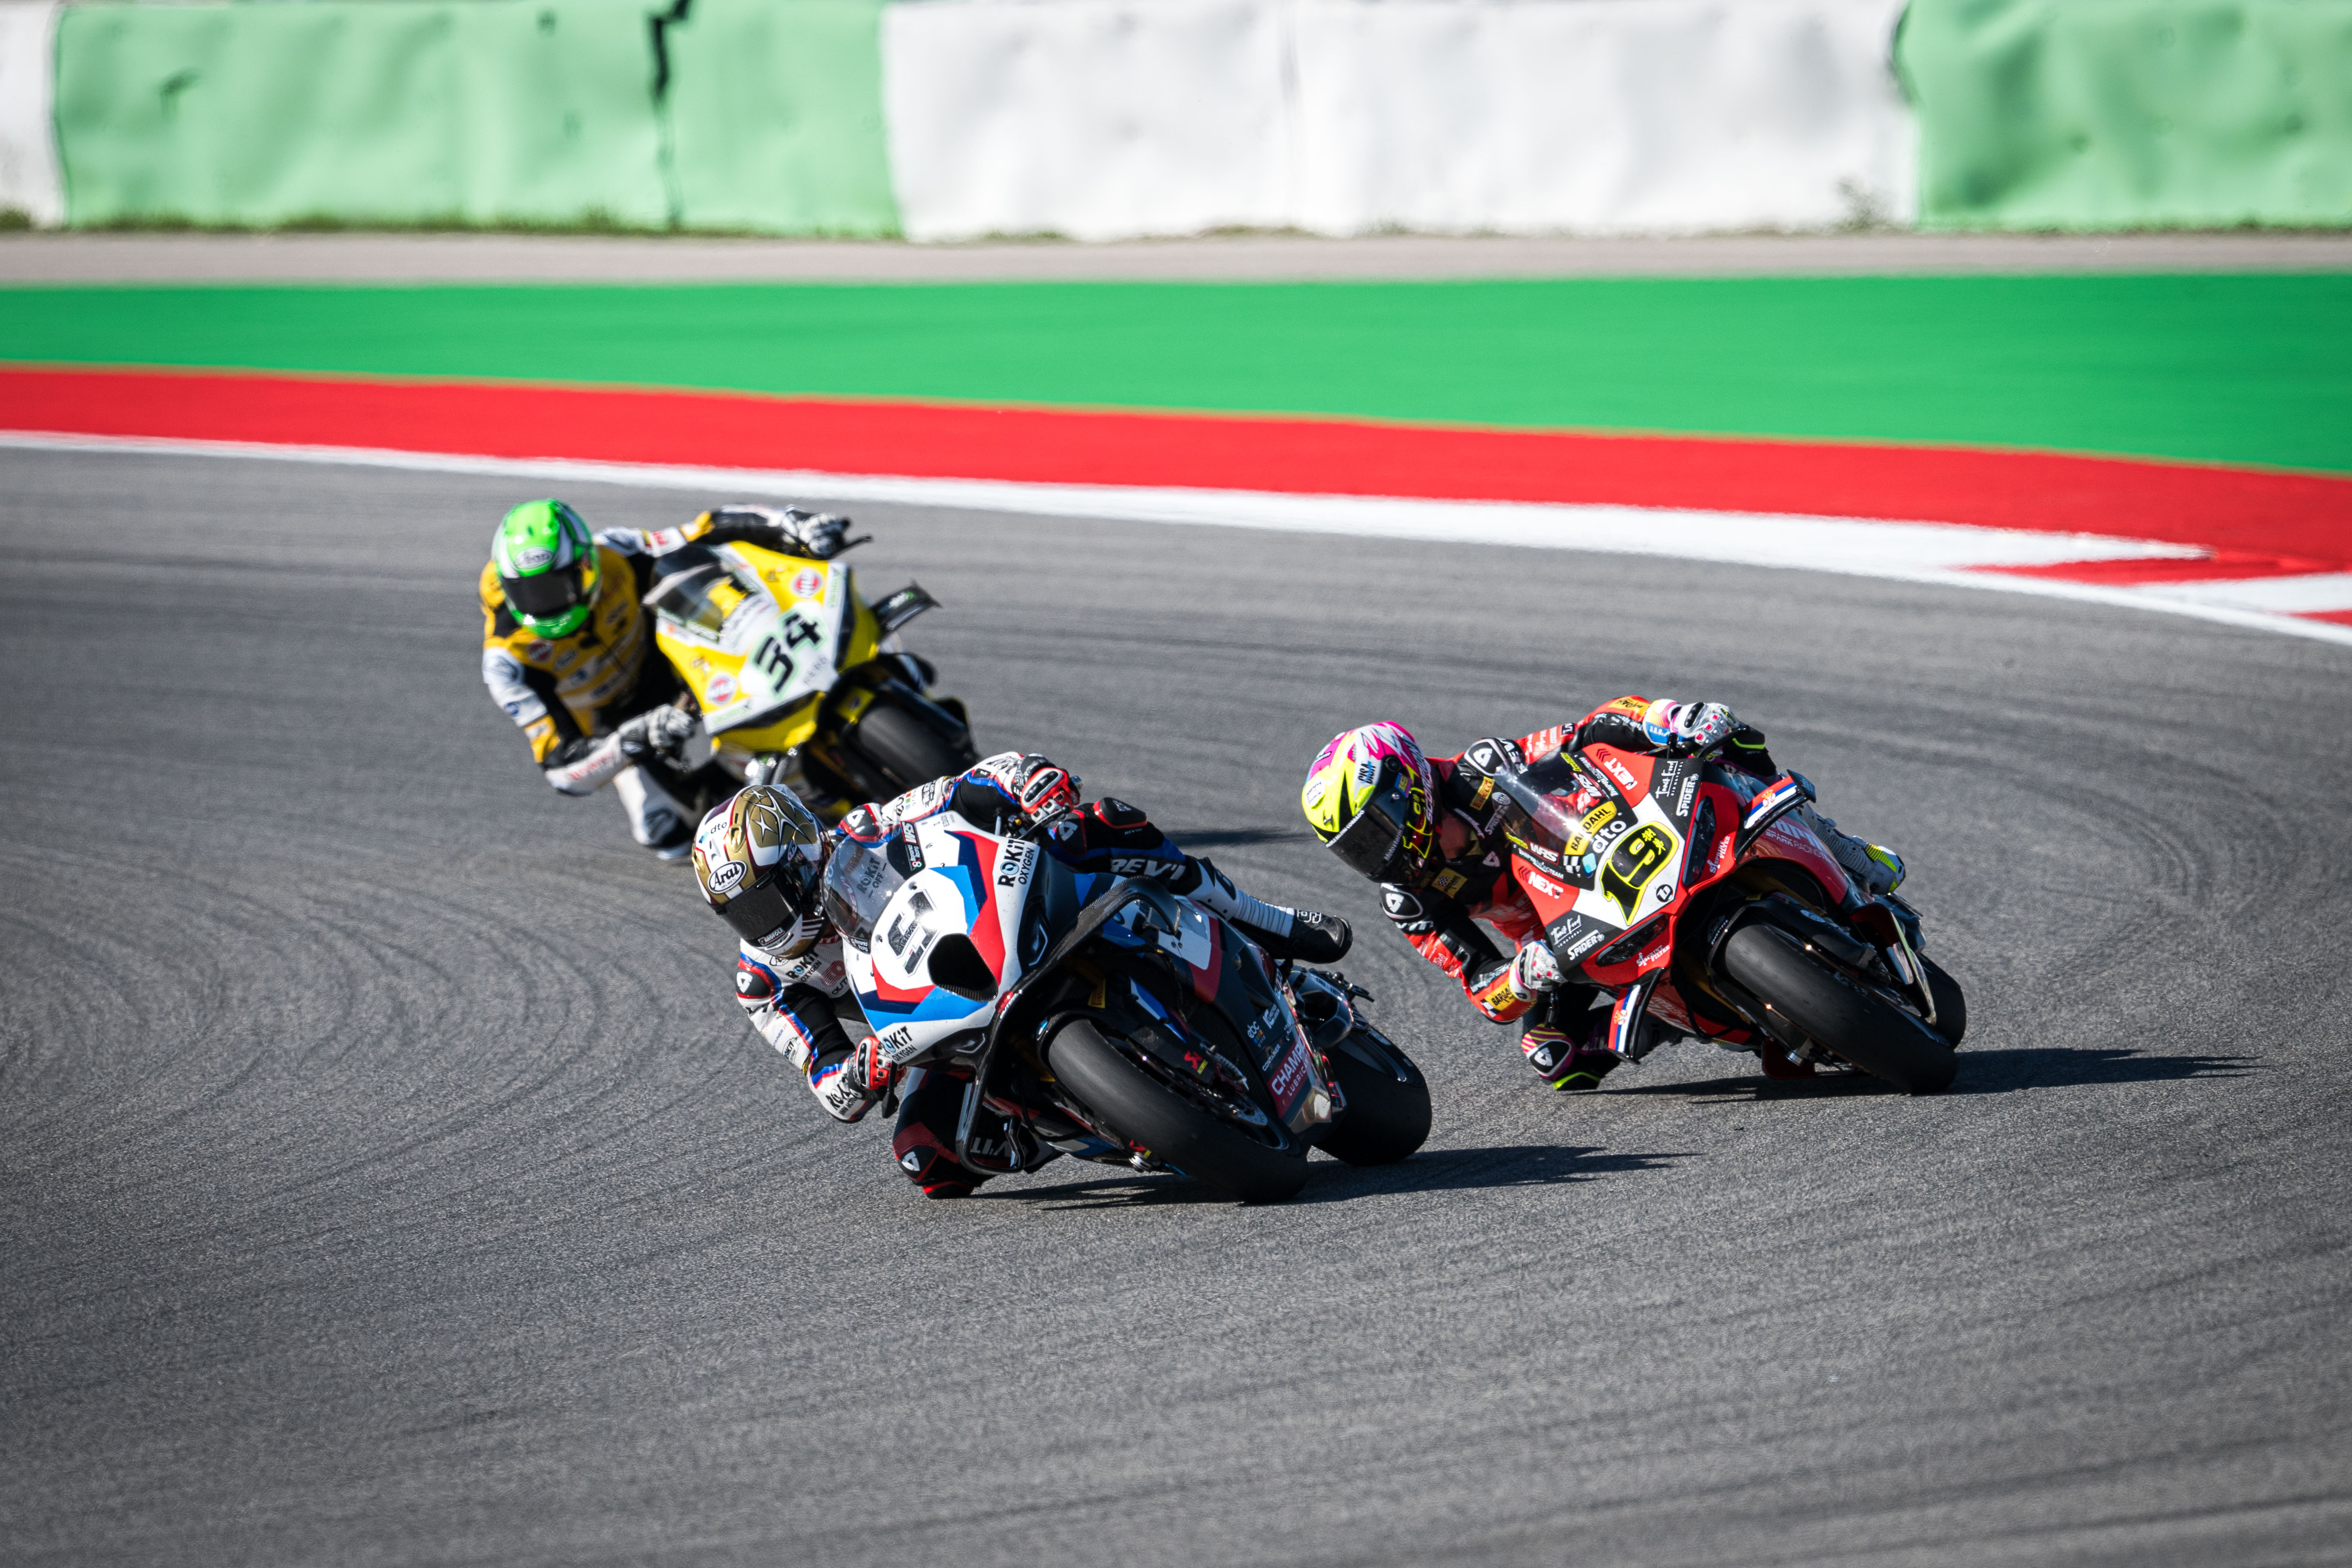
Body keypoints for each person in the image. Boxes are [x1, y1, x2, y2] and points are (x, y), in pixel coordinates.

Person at [693, 753, 1352, 1198]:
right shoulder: (765, 983)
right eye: (744, 913)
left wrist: (1027, 782)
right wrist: (860, 1073)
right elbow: (829, 1085)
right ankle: (1087, 1117)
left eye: (771, 898)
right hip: (938, 1025)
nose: (766, 923)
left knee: (1099, 826)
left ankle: (1266, 920)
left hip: (998, 923)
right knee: (925, 1157)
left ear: (806, 854)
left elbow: (964, 788)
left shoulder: (868, 830)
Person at [1300, 698, 1907, 1093]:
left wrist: (1665, 718)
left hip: (1609, 849)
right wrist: (1525, 973)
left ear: (1406, 787)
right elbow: (1481, 987)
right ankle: (1684, 1017)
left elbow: (1589, 730)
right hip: (1562, 939)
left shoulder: (1482, 767)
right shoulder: (1410, 899)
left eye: (1373, 832)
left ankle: (1842, 847)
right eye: (1355, 850)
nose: (1374, 858)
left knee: (1728, 743)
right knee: (1554, 1059)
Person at [479, 497, 859, 859]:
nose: (544, 604)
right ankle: (777, 801)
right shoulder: (508, 659)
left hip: (679, 662)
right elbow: (562, 771)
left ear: (585, 566)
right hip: (620, 725)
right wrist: (635, 737)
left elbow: (703, 530)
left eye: (554, 586)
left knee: (692, 568)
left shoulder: (615, 551)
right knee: (665, 830)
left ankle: (815, 657)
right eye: (527, 592)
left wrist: (792, 524)